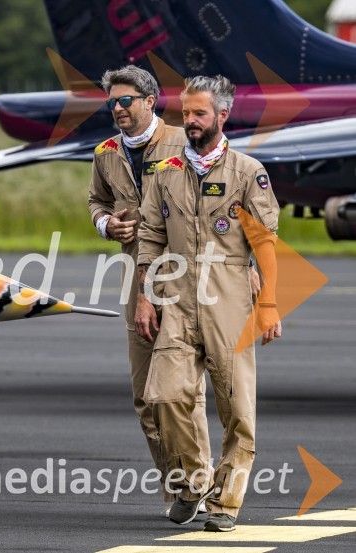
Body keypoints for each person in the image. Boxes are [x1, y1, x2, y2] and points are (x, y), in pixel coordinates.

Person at [135, 75, 282, 532]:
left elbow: (265, 242)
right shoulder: (165, 172)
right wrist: (145, 296)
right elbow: (150, 237)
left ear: (222, 115)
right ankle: (193, 481)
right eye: (185, 113)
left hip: (230, 299)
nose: (190, 121)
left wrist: (269, 304)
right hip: (177, 299)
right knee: (163, 396)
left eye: (199, 113)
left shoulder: (247, 171)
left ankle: (226, 502)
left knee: (237, 410)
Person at [88, 65, 217, 517]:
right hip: (136, 277)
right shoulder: (105, 152)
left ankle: (199, 482)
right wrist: (106, 224)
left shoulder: (186, 143)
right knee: (146, 397)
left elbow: (224, 202)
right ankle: (181, 488)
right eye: (112, 103)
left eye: (126, 101)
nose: (118, 109)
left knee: (181, 391)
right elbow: (97, 201)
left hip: (187, 277)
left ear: (149, 101)